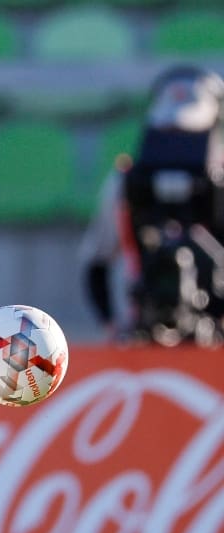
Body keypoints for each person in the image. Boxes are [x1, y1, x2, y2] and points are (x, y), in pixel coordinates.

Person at [79, 63, 224, 347]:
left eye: (189, 136)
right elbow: (97, 261)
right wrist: (113, 325)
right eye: (170, 132)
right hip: (142, 337)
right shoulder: (125, 182)